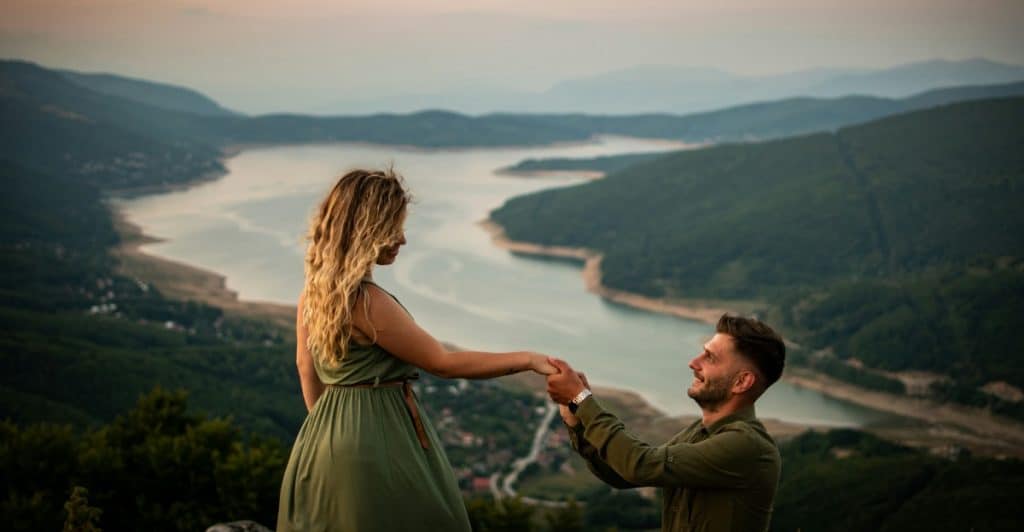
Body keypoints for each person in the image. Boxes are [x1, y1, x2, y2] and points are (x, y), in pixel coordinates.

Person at [277, 168, 557, 532]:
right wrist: (530, 359)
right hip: (377, 443)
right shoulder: (366, 302)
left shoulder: (314, 293)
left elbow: (305, 367)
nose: (403, 240)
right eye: (394, 227)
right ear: (369, 230)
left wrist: (331, 431)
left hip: (321, 441)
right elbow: (442, 363)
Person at [546, 314, 786, 532]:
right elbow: (625, 475)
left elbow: (640, 465)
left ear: (742, 382)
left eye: (710, 357)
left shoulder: (748, 446)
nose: (694, 362)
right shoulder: (700, 432)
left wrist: (582, 399)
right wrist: (578, 422)